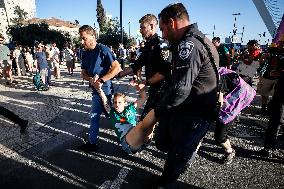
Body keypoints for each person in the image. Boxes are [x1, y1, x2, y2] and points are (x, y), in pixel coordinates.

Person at [154, 3, 218, 187]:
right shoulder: (201, 39)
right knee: (168, 144)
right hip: (191, 110)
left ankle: (166, 182)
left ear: (172, 23)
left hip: (193, 113)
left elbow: (180, 89)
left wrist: (157, 112)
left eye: (163, 29)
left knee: (177, 155)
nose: (163, 35)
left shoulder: (188, 45)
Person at [118, 14, 170, 120]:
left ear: (151, 26)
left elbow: (165, 71)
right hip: (154, 90)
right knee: (149, 122)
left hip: (162, 91)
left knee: (145, 121)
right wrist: (118, 74)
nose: (140, 31)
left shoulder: (161, 44)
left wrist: (145, 82)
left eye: (142, 27)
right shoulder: (148, 44)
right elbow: (137, 64)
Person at [78, 25, 121, 152]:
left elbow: (117, 68)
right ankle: (92, 143)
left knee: (112, 116)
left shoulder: (103, 49)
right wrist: (90, 79)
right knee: (96, 116)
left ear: (92, 36)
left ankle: (129, 137)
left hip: (106, 90)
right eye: (81, 38)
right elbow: (83, 73)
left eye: (84, 38)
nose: (82, 41)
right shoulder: (85, 53)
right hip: (95, 90)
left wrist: (102, 80)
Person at [95, 75, 157, 154]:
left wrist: (138, 85)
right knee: (141, 124)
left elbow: (143, 97)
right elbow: (105, 101)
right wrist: (99, 89)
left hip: (142, 141)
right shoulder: (113, 113)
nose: (117, 105)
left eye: (119, 102)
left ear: (125, 103)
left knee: (154, 113)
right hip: (128, 144)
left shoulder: (130, 108)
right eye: (115, 102)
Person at [258, 35, 284, 157]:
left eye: (281, 43)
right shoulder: (277, 55)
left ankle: (269, 148)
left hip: (281, 92)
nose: (279, 45)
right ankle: (268, 147)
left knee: (276, 120)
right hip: (280, 90)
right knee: (276, 119)